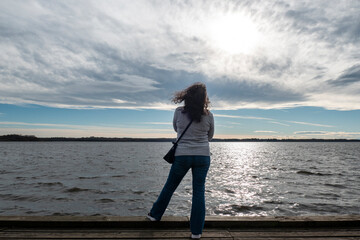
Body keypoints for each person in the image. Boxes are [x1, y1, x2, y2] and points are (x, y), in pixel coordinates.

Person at [147, 82, 214, 239]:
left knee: (170, 186)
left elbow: (176, 129)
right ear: (204, 98)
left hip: (182, 155)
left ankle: (154, 215)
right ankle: (196, 232)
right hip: (203, 156)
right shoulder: (209, 115)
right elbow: (210, 136)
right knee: (199, 192)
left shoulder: (179, 112)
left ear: (188, 96)